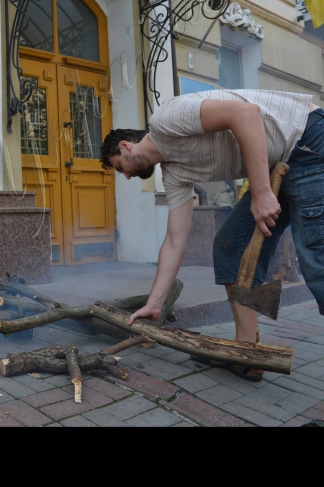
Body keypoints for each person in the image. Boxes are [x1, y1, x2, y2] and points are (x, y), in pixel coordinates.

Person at [101, 89, 322, 383]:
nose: (126, 176)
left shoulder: (166, 119)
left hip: (307, 140)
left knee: (317, 262)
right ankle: (247, 352)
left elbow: (246, 113)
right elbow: (175, 241)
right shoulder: (174, 174)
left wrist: (260, 192)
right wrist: (155, 303)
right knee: (230, 246)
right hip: (278, 165)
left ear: (126, 146)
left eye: (120, 168)